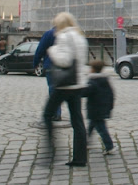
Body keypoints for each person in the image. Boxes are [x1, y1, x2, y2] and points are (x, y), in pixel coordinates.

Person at [43, 12, 89, 167]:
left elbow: (64, 60)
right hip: (77, 83)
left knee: (47, 114)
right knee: (78, 121)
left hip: (64, 84)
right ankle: (80, 158)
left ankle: (50, 154)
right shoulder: (80, 37)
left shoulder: (63, 37)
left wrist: (52, 51)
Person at [82, 60, 115, 155]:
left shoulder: (93, 81)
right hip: (103, 108)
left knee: (101, 128)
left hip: (95, 109)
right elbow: (111, 94)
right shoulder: (105, 80)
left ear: (92, 69)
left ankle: (109, 146)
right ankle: (86, 141)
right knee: (92, 125)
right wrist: (110, 106)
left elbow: (86, 92)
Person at [34, 27, 62, 121]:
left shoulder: (49, 34)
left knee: (53, 89)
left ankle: (55, 113)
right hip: (65, 67)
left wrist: (35, 63)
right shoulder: (69, 34)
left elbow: (40, 49)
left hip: (51, 65)